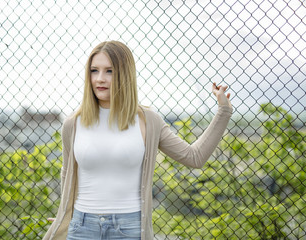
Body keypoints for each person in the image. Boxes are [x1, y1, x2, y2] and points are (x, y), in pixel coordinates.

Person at [42, 40, 233, 240]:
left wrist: (224, 111)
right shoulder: (73, 123)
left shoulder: (148, 121)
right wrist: (64, 215)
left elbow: (195, 157)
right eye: (94, 70)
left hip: (130, 228)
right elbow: (68, 173)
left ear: (124, 74)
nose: (100, 79)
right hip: (82, 227)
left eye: (109, 71)